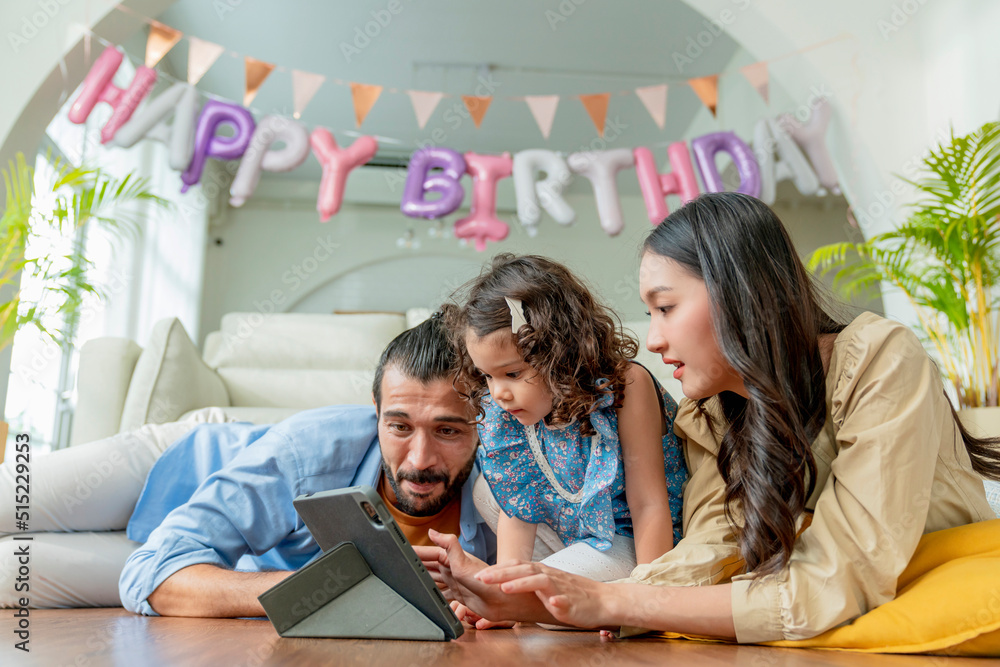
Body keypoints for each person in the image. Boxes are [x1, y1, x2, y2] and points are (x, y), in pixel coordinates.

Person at [419, 192, 1000, 643]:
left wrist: (616, 601)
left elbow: (833, 581)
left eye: (666, 308)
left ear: (740, 293)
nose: (653, 338)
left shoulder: (881, 357)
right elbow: (706, 553)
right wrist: (534, 597)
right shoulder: (713, 412)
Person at [0, 315, 496, 615]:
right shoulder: (307, 450)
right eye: (399, 426)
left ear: (485, 424)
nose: (420, 460)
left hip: (221, 560)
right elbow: (158, 566)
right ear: (374, 412)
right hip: (174, 467)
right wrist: (332, 586)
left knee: (10, 571)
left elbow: (149, 573)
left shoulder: (506, 496)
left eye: (449, 430)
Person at [440, 254, 687, 628]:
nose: (498, 393)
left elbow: (648, 505)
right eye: (487, 376)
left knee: (550, 609)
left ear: (560, 353)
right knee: (488, 495)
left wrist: (649, 604)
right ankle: (544, 588)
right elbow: (517, 510)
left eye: (512, 372)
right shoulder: (510, 408)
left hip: (631, 539)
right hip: (576, 533)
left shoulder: (627, 388)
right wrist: (506, 587)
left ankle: (593, 588)